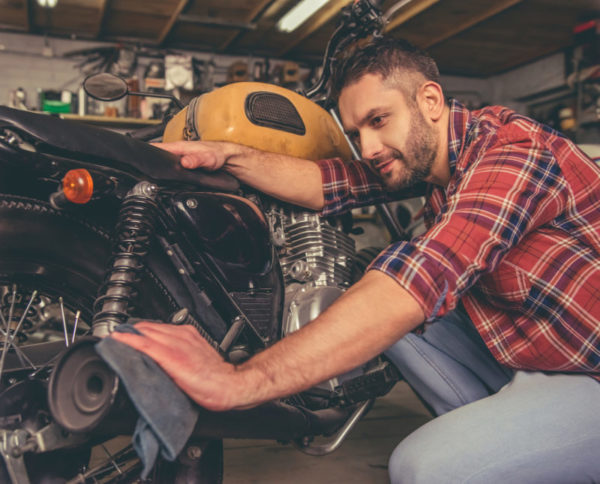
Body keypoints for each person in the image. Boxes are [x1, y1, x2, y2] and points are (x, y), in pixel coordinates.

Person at [112, 37, 600, 482]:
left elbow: (424, 274)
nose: (367, 147)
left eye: (378, 120)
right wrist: (226, 154)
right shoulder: (435, 157)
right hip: (534, 360)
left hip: (588, 374)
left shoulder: (513, 154)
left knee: (422, 468)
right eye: (356, 130)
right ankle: (507, 441)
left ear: (430, 100)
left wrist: (242, 380)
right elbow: (327, 184)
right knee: (381, 277)